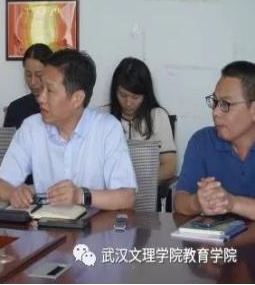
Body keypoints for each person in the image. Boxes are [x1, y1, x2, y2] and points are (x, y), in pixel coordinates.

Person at [0, 49, 137, 211]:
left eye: (50, 91)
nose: (40, 98)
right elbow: (0, 185)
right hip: (43, 224)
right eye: (42, 88)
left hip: (94, 224)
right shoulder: (31, 127)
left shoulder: (107, 129)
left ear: (77, 98)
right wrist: (14, 194)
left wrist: (79, 196)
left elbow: (126, 197)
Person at [175, 61, 255, 221]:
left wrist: (232, 203)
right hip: (216, 237)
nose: (215, 112)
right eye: (215, 102)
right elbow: (179, 201)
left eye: (225, 104)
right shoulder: (202, 141)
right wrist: (197, 202)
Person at [107, 57, 177, 183]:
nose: (128, 103)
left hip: (145, 189)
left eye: (135, 97)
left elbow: (169, 167)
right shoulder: (103, 116)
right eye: (122, 95)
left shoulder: (157, 116)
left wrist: (136, 183)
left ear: (145, 95)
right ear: (114, 91)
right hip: (110, 190)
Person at [4, 44, 52, 129]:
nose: (33, 82)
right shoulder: (15, 109)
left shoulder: (61, 108)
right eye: (28, 75)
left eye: (39, 75)